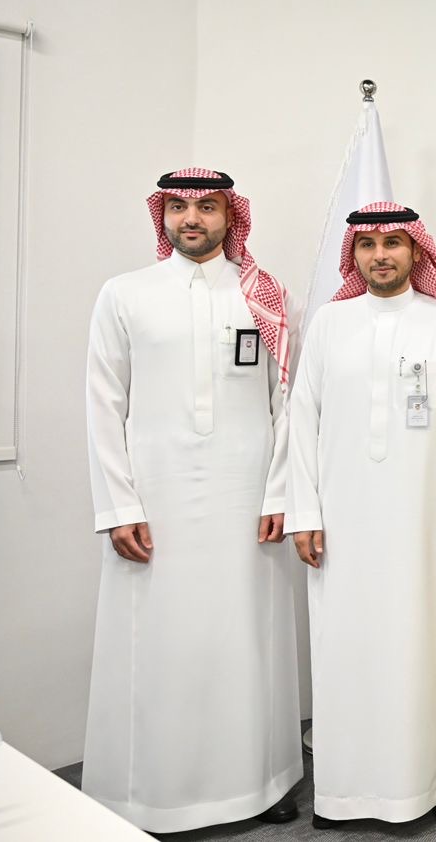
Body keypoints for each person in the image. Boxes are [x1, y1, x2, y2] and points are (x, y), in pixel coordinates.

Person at [82, 167, 301, 832]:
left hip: (247, 498)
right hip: (156, 497)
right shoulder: (125, 294)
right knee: (160, 642)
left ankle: (263, 783)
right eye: (178, 206)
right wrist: (119, 506)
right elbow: (103, 403)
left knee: (247, 637)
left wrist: (280, 491)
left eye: (206, 206)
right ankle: (148, 796)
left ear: (231, 215)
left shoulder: (265, 295)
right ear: (163, 215)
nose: (192, 218)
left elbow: (288, 403)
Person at [286, 202, 436, 829]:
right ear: (353, 254)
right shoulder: (329, 323)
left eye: (394, 243)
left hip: (430, 521)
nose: (380, 255)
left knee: (429, 645)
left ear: (416, 252)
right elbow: (301, 419)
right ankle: (345, 792)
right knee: (347, 646)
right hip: (343, 521)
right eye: (368, 244)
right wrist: (304, 511)